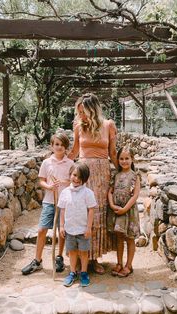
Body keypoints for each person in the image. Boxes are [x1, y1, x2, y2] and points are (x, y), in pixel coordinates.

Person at [68, 93, 117, 274]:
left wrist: (125, 173)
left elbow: (113, 152)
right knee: (81, 214)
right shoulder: (78, 126)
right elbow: (74, 151)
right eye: (79, 112)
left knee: (97, 216)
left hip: (102, 175)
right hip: (83, 175)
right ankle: (83, 258)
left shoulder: (108, 125)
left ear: (93, 110)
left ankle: (94, 258)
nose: (81, 116)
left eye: (84, 112)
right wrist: (57, 165)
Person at [21, 132, 74, 275]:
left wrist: (64, 182)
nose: (59, 147)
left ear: (66, 148)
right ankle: (37, 260)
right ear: (51, 146)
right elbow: (41, 180)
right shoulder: (46, 162)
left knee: (61, 232)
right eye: (56, 144)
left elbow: (73, 181)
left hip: (64, 203)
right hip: (49, 201)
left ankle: (59, 257)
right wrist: (49, 187)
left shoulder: (70, 163)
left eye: (62, 145)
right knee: (42, 229)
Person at [58, 162, 97, 287]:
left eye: (80, 177)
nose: (76, 179)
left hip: (83, 229)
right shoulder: (64, 193)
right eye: (74, 175)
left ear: (85, 179)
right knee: (73, 252)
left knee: (84, 252)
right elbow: (62, 210)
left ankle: (84, 273)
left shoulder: (88, 193)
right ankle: (72, 272)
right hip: (70, 229)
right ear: (70, 174)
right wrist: (62, 226)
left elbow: (91, 210)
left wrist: (88, 227)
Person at [107, 146, 141, 277]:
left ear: (132, 159)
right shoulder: (116, 175)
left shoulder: (135, 176)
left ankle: (129, 265)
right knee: (119, 237)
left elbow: (135, 195)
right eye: (121, 158)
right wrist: (111, 204)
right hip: (116, 210)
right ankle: (119, 263)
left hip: (128, 211)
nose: (124, 161)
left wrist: (125, 209)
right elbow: (110, 191)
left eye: (127, 158)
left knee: (130, 238)